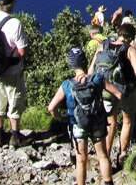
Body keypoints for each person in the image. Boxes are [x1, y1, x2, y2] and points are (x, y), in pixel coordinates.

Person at [47, 48, 121, 185]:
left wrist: (60, 117)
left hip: (77, 125)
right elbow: (119, 94)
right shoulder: (97, 78)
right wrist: (111, 111)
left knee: (81, 160)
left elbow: (51, 107)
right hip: (97, 122)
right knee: (103, 156)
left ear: (71, 65)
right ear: (85, 62)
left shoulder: (67, 85)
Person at [89, 22, 136, 167]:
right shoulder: (130, 49)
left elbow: (90, 71)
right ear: (131, 37)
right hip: (125, 91)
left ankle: (105, 158)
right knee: (127, 120)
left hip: (105, 90)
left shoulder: (103, 46)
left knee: (110, 122)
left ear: (118, 33)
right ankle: (122, 155)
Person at [0, 0, 29, 147]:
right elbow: (22, 51)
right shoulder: (15, 23)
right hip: (12, 70)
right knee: (15, 101)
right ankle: (15, 137)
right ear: (10, 4)